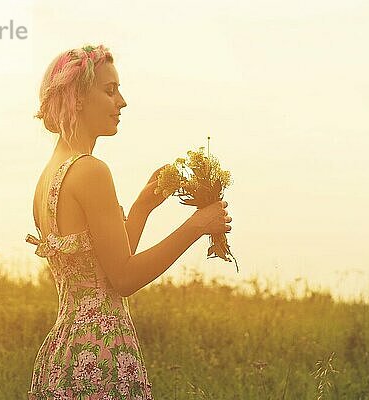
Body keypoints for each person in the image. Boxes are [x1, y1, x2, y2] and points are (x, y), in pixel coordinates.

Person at [25, 44, 233, 399]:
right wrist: (198, 225)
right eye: (109, 90)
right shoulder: (90, 170)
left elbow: (104, 270)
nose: (122, 101)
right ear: (76, 98)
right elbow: (124, 278)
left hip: (65, 354)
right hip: (102, 355)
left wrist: (141, 208)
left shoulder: (49, 176)